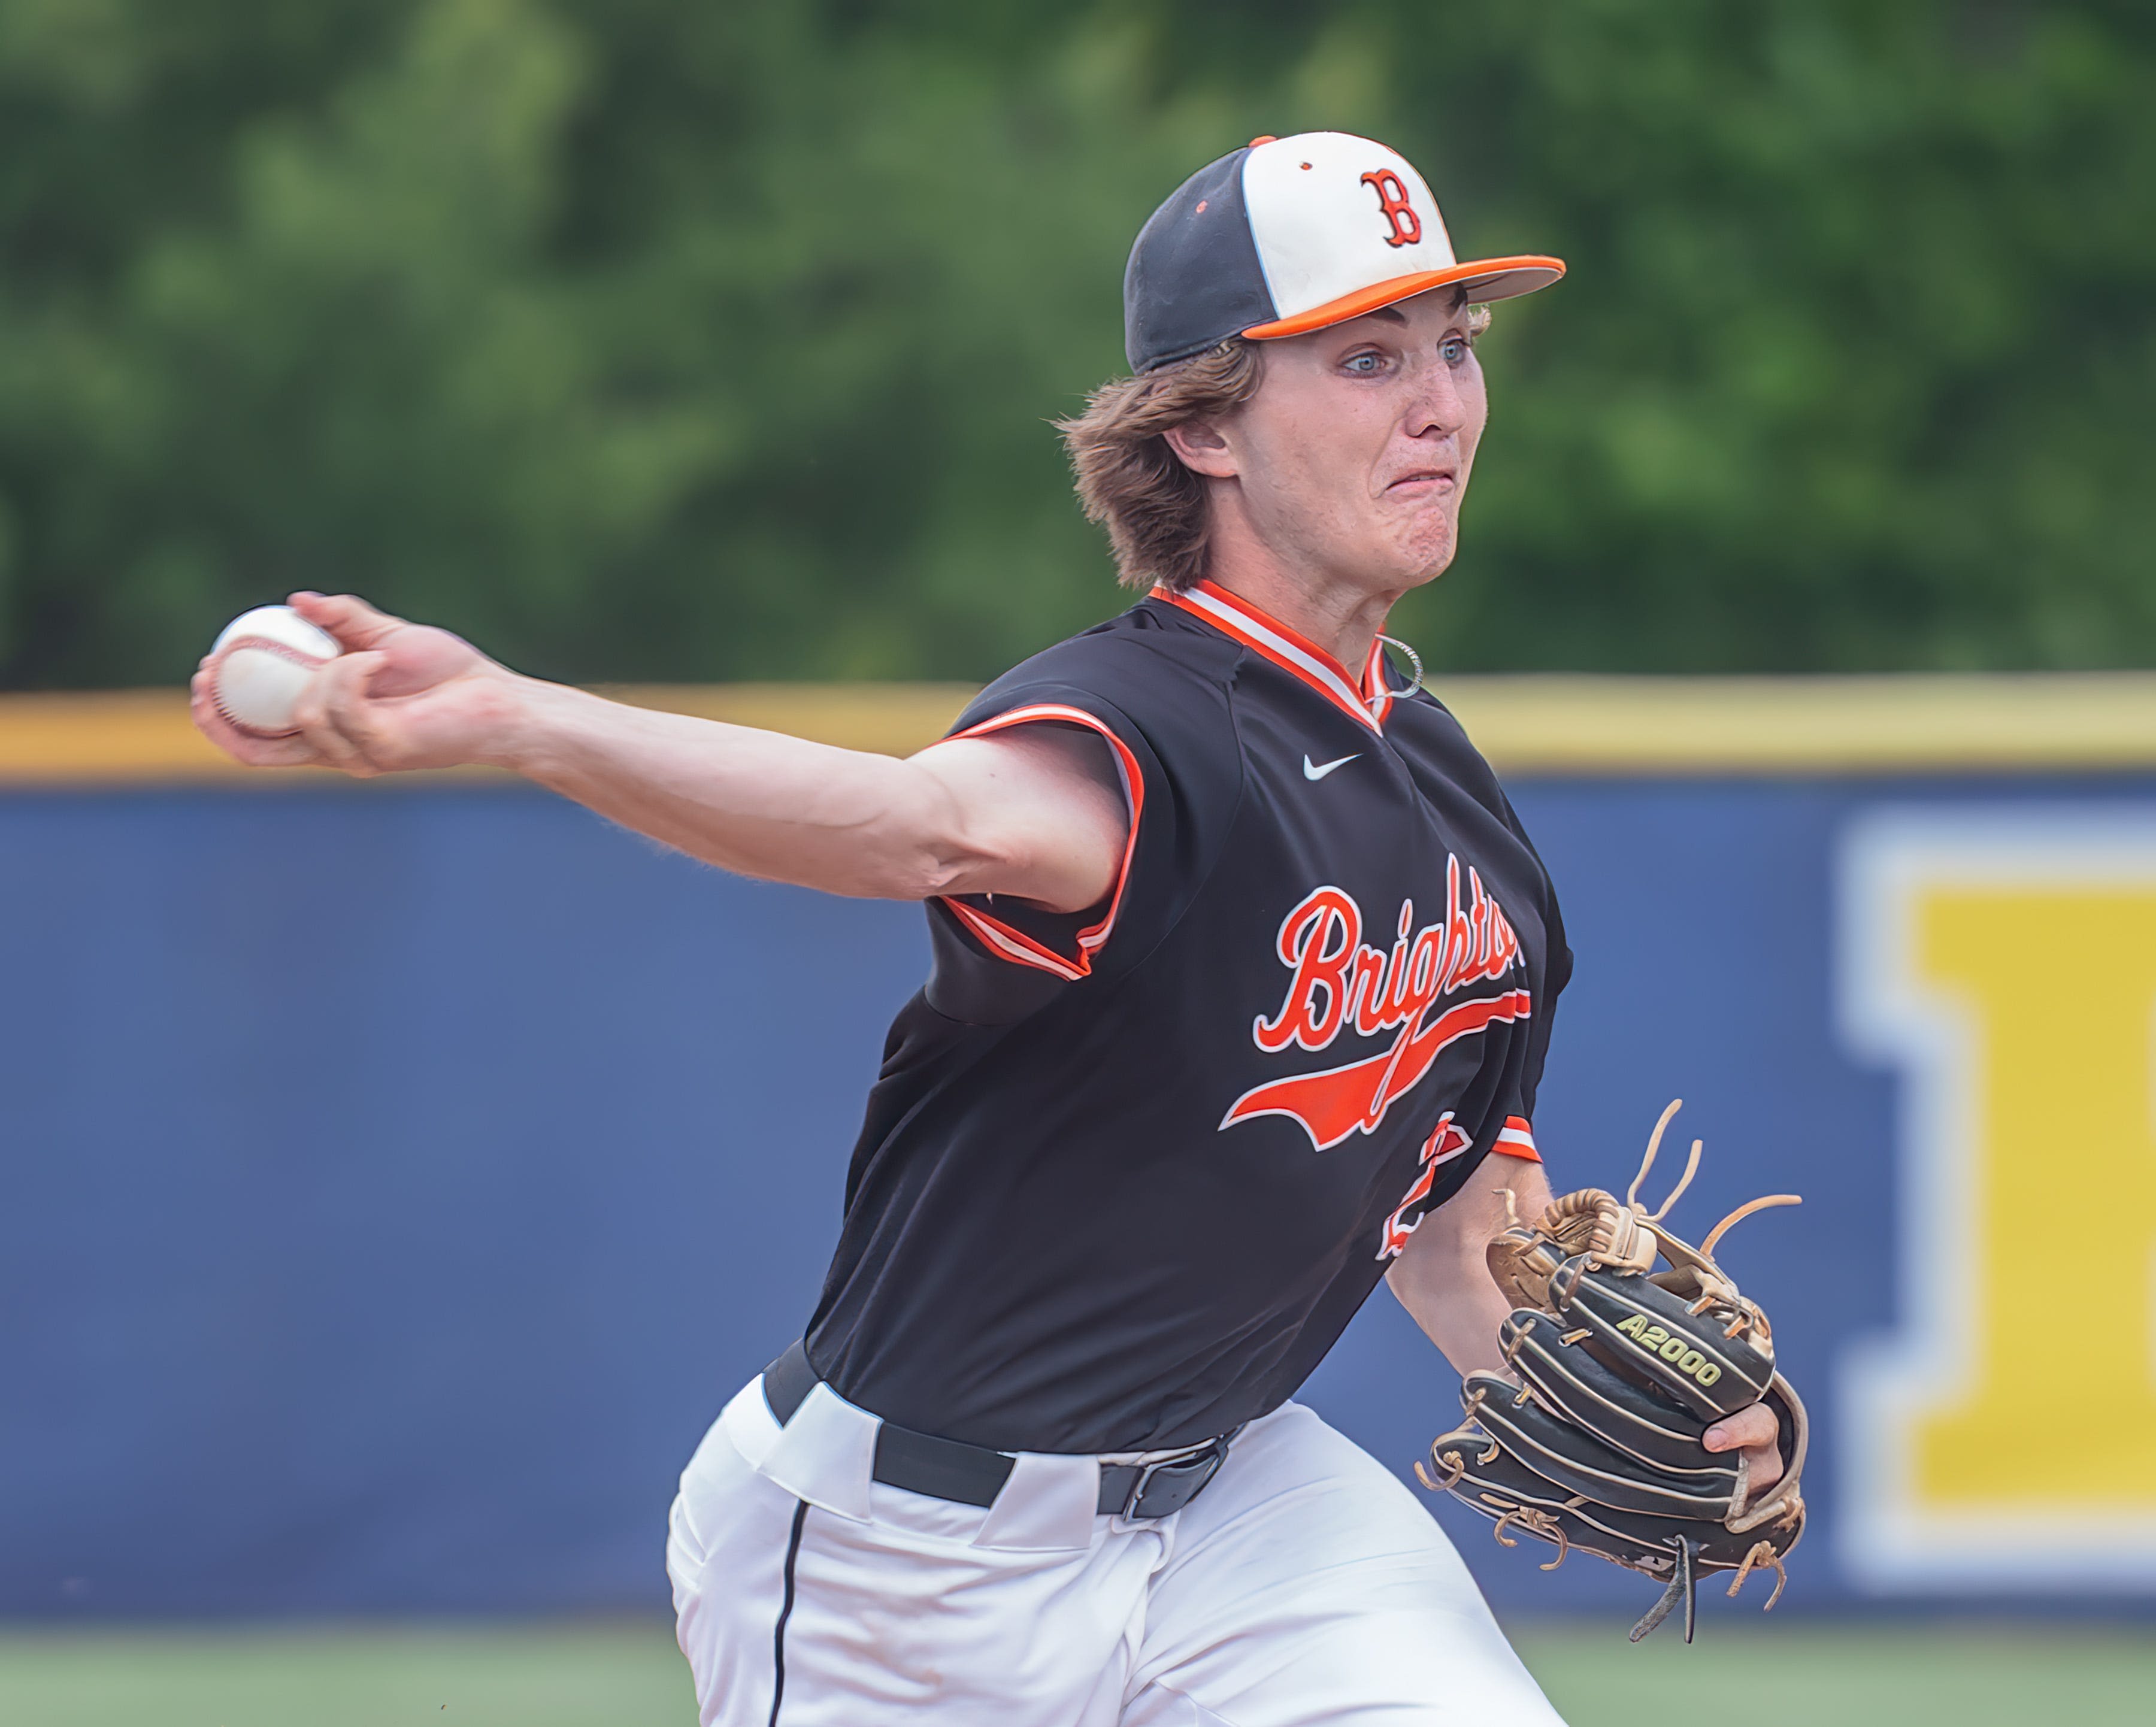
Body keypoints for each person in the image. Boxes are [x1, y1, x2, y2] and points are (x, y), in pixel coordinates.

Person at [194, 131, 1780, 1726]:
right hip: (903, 1563)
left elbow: (1456, 1233)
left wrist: (1652, 1406)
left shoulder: (1459, 812)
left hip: (1237, 1516)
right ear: (1210, 424)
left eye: (1453, 349)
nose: (1440, 402)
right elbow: (921, 823)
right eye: (1368, 359)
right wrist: (521, 717)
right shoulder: (1138, 729)